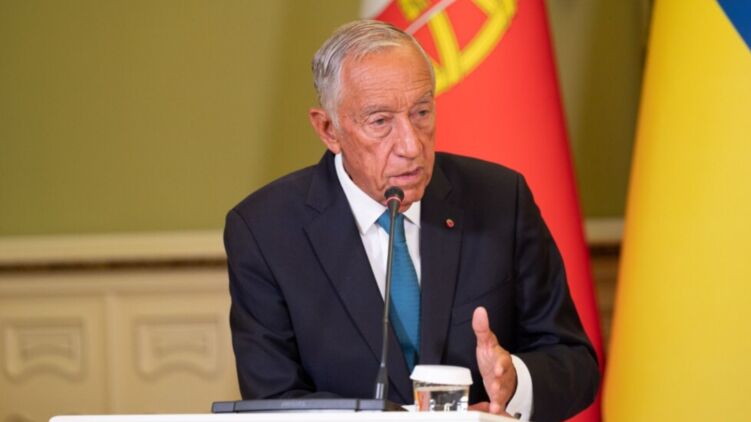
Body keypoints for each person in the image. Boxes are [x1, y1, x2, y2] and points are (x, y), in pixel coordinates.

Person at [224, 20, 599, 421]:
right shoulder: (265, 230)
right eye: (380, 122)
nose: (411, 145)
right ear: (328, 130)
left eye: (421, 112)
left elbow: (574, 362)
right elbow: (273, 401)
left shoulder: (500, 200)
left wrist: (515, 382)